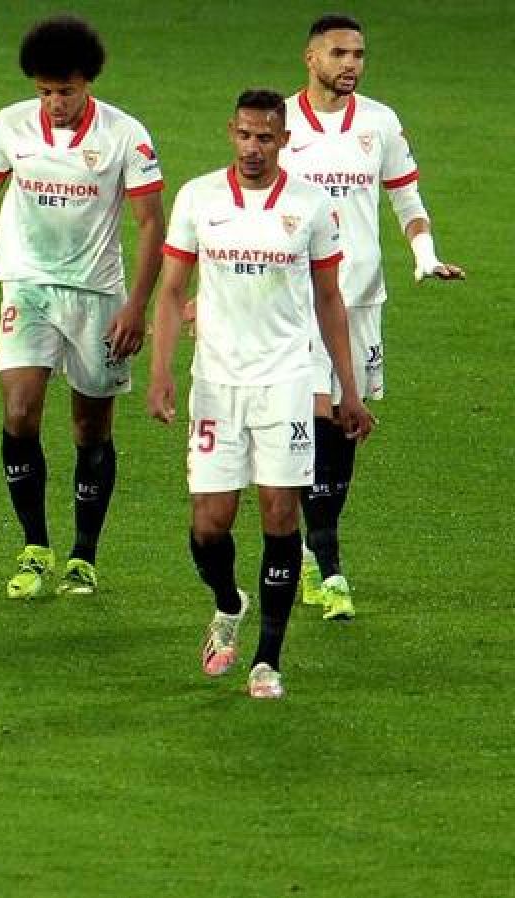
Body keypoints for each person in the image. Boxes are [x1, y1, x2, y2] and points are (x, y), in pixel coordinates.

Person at [148, 90, 375, 699]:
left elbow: (330, 299)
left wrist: (349, 390)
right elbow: (171, 291)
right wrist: (162, 370)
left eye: (266, 137)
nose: (253, 147)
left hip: (287, 383)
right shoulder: (199, 198)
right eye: (245, 135)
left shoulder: (310, 205)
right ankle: (228, 603)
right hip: (217, 385)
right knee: (208, 525)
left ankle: (266, 661)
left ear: (283, 140)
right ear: (232, 132)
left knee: (279, 514)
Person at [0, 15, 165, 599]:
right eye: (45, 91)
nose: (54, 103)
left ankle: (83, 556)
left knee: (90, 427)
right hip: (27, 284)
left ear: (87, 82)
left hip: (98, 294)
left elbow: (152, 223)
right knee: (20, 410)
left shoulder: (126, 135)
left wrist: (137, 306)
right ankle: (34, 548)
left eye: (65, 92)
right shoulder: (8, 126)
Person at [281, 14, 465, 620]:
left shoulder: (380, 123)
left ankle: (312, 549)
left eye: (358, 54)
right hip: (298, 300)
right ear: (311, 57)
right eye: (339, 53)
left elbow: (406, 197)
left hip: (360, 299)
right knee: (314, 416)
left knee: (344, 424)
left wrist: (424, 254)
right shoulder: (281, 124)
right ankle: (329, 562)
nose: (351, 64)